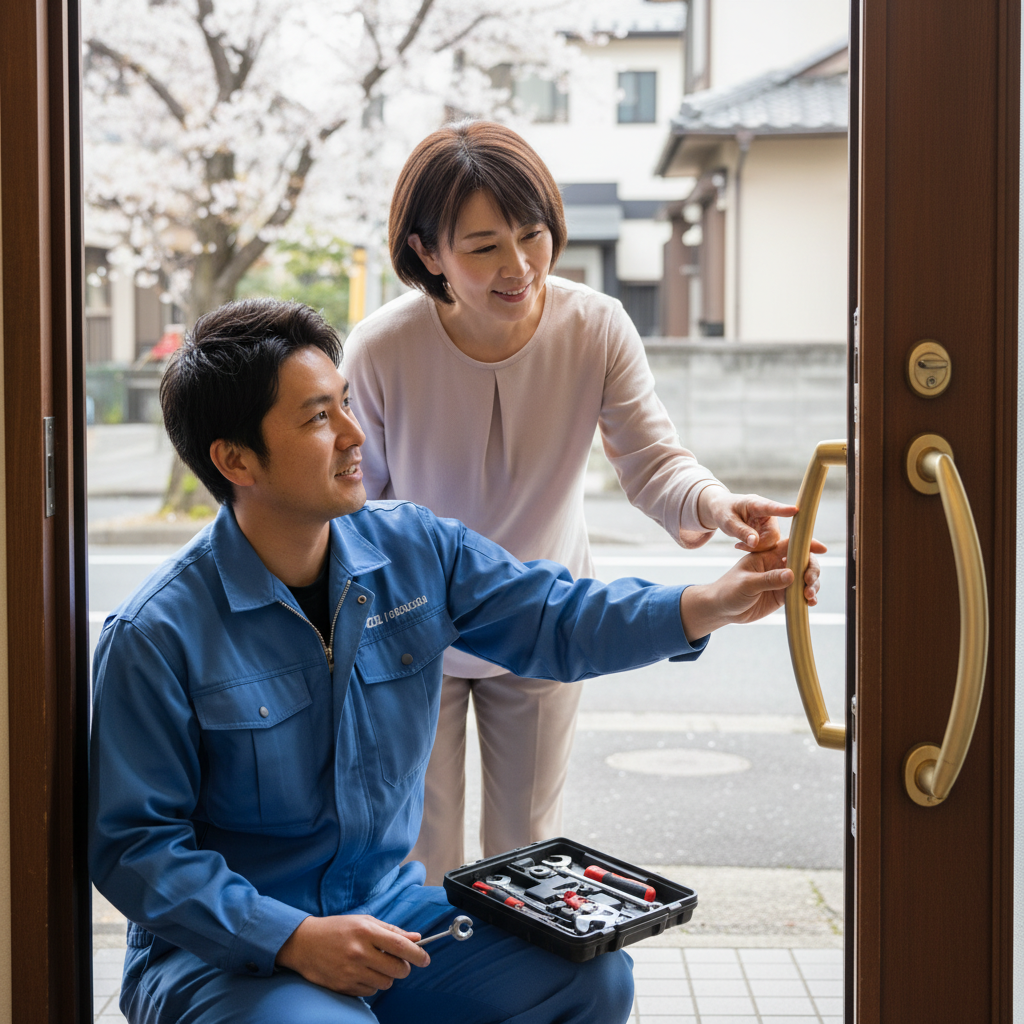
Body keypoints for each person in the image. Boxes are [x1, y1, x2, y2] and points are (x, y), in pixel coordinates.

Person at [89, 298, 821, 1024]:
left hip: (386, 912)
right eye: (317, 418)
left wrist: (713, 602)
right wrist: (290, 939)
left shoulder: (414, 549)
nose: (354, 434)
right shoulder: (156, 634)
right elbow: (135, 847)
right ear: (235, 459)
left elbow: (557, 617)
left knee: (592, 978)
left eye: (346, 404)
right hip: (223, 954)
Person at [343, 120, 822, 885]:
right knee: (419, 856)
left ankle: (516, 969)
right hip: (411, 632)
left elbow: (653, 460)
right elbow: (351, 508)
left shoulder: (594, 326)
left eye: (532, 235)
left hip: (543, 618)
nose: (519, 266)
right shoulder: (381, 347)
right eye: (483, 247)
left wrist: (716, 504)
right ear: (428, 253)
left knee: (527, 851)